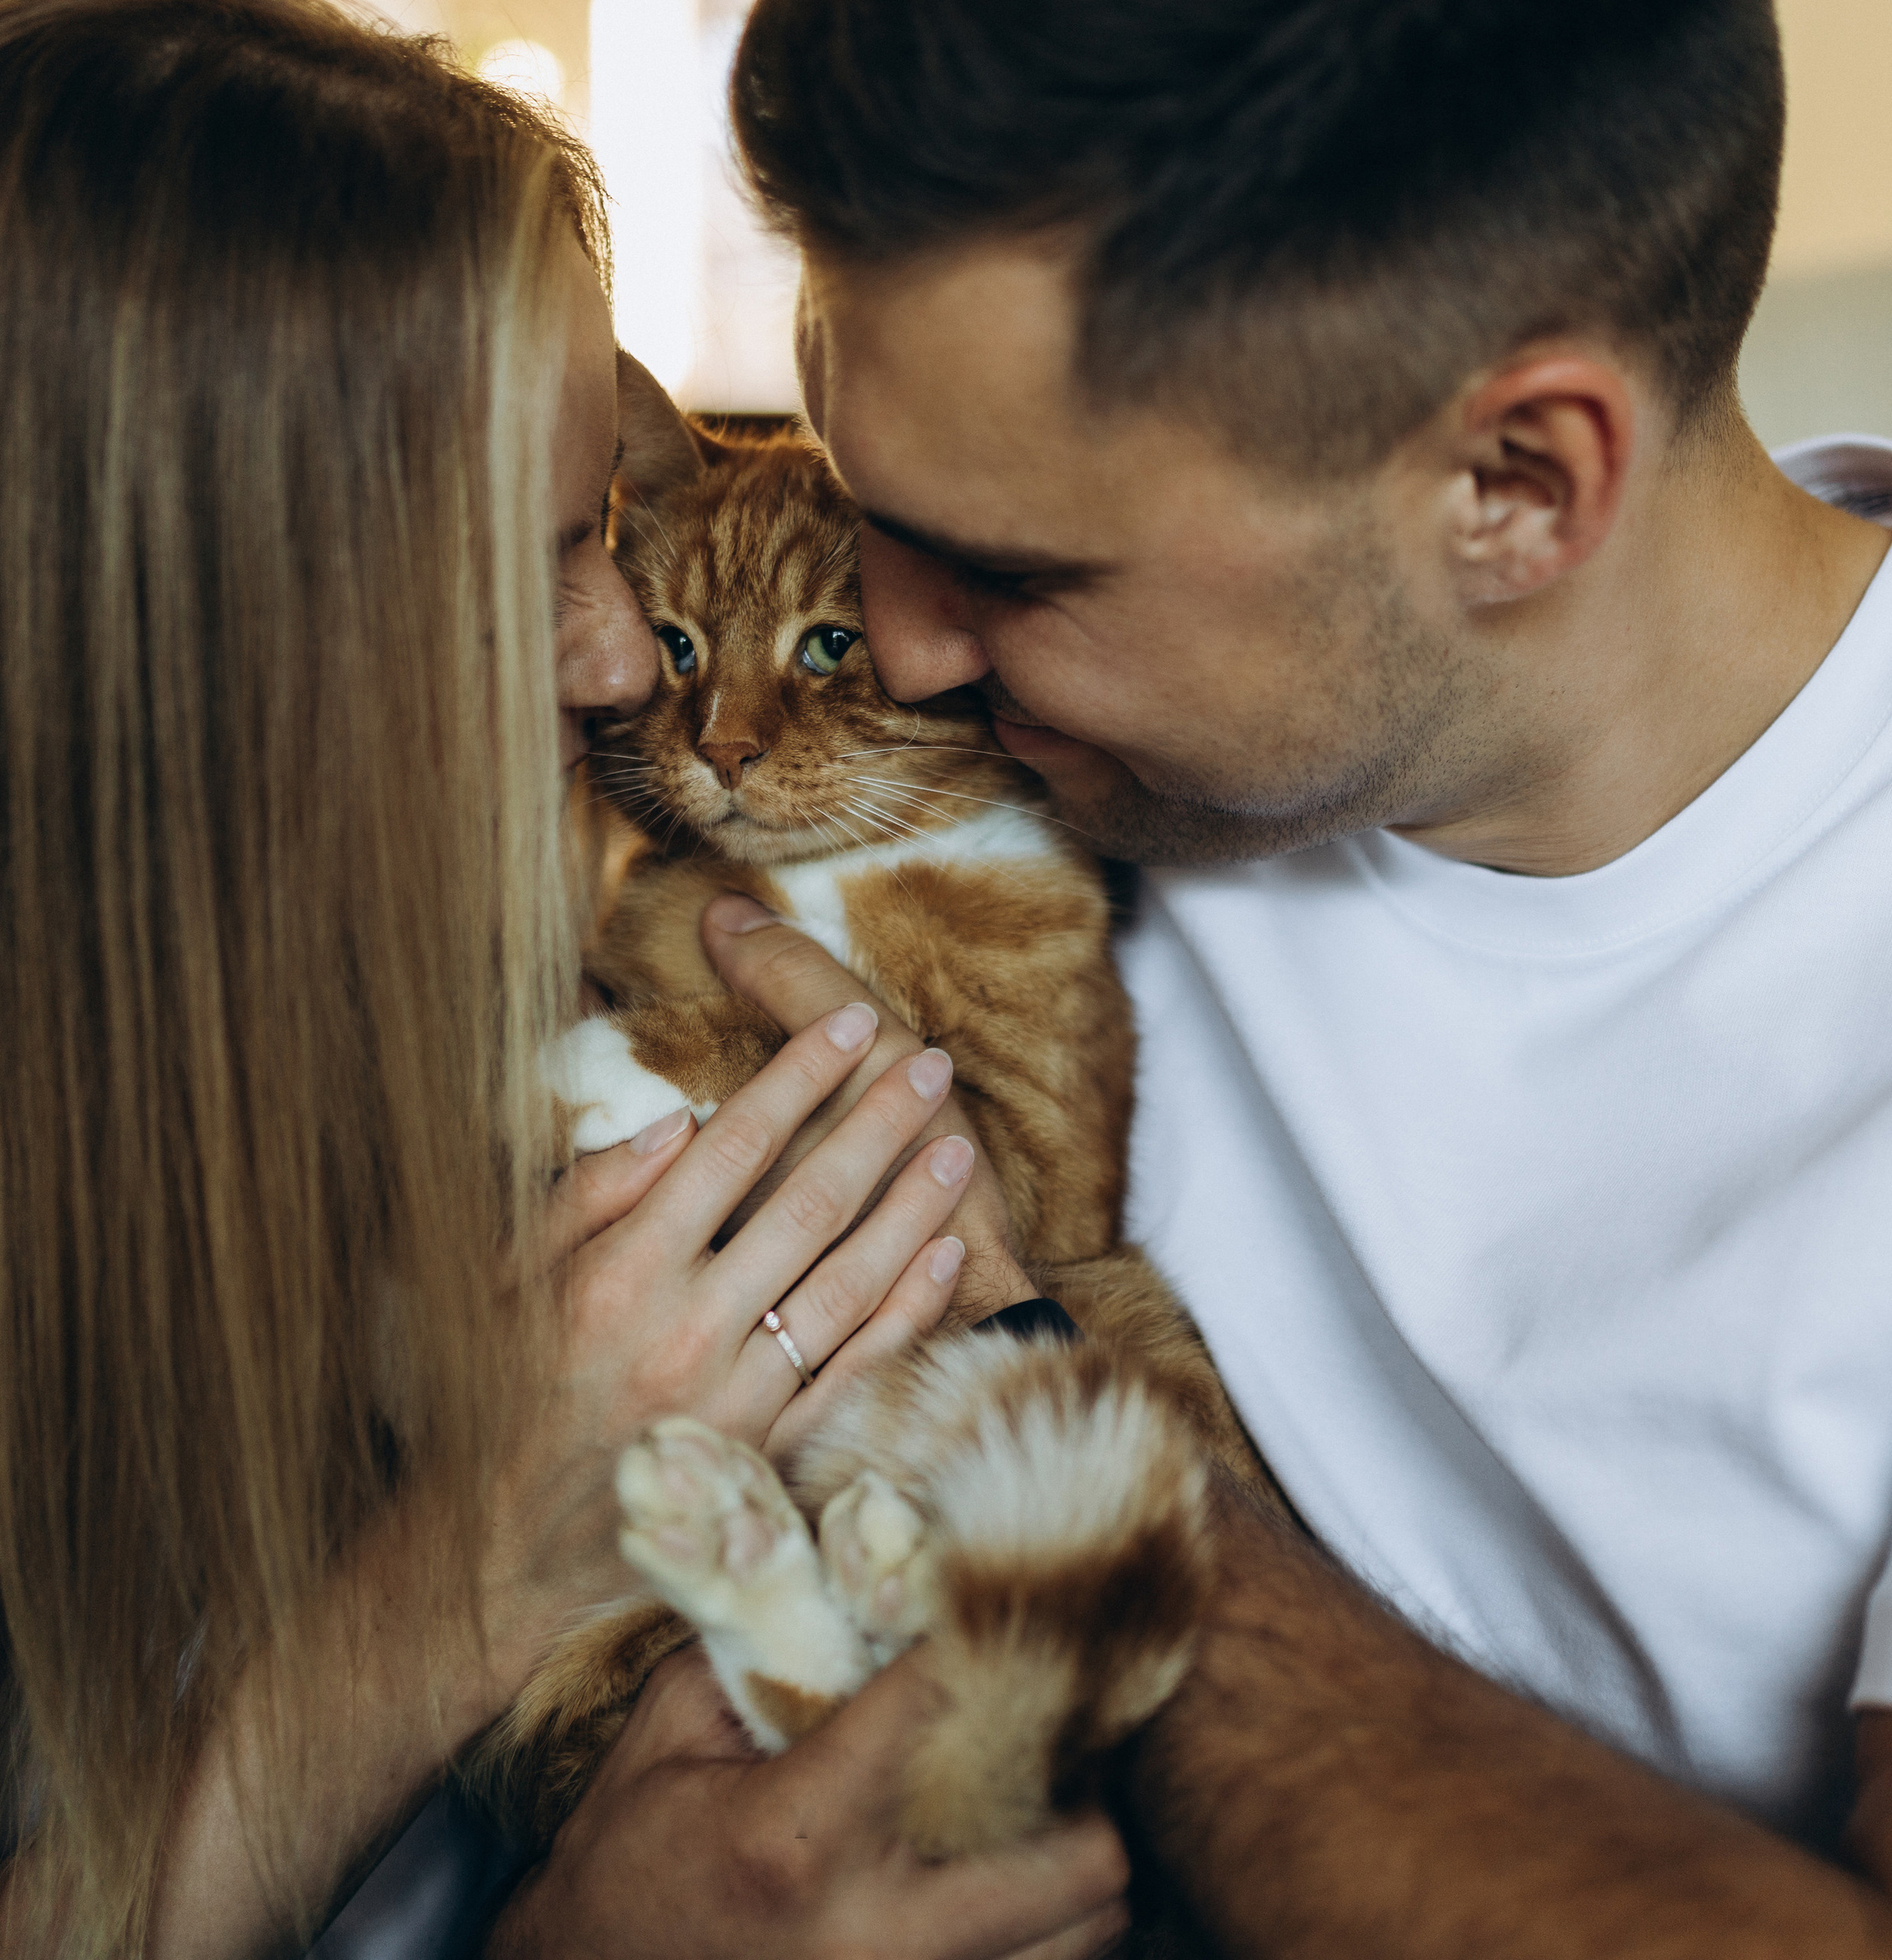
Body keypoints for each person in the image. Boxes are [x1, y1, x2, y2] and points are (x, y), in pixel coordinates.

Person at [502, 0, 1892, 1953]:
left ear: (1516, 487)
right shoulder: (1081, 762)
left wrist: (1028, 1391)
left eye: (1005, 569)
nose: (904, 654)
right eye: (870, 514)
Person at [0, 3, 1129, 1954]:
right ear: (189, 633)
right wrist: (473, 1599)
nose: (622, 666)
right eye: (529, 565)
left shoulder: (500, 968)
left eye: (610, 534)